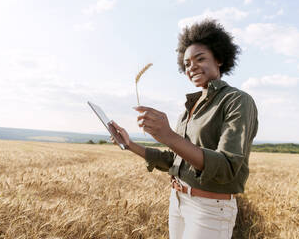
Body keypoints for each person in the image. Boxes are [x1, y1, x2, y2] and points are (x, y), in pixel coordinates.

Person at [110, 19, 258, 239]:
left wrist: (168, 135)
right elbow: (174, 159)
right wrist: (129, 144)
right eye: (187, 63)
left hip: (210, 209)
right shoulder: (190, 108)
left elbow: (227, 167)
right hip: (178, 200)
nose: (192, 67)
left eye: (200, 59)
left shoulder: (237, 101)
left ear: (219, 59)